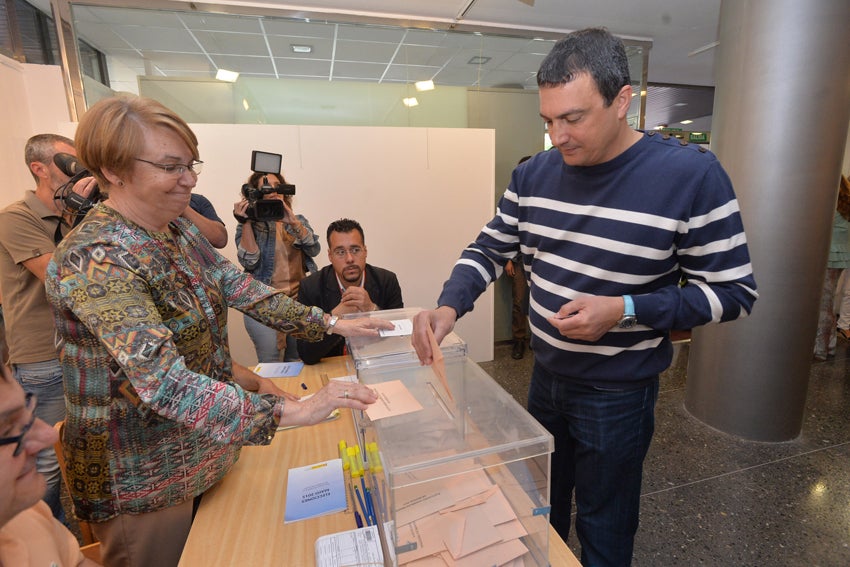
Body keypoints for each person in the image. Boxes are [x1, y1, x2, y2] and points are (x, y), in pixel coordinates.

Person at [411, 28, 757, 566]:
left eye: (573, 118)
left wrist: (627, 311)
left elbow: (735, 293)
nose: (559, 136)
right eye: (549, 120)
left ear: (623, 101)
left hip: (618, 395)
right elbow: (487, 248)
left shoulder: (690, 175)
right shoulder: (533, 174)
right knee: (536, 513)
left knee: (605, 529)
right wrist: (448, 305)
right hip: (546, 382)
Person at [44, 94, 393, 567]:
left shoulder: (177, 231)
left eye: (191, 164)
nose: (189, 179)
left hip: (207, 451)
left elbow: (243, 288)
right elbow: (163, 383)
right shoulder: (95, 256)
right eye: (171, 167)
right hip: (142, 482)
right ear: (113, 170)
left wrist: (333, 322)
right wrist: (297, 410)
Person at [0, 134, 98, 523]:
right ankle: (40, 541)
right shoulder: (14, 218)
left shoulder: (74, 216)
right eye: (68, 164)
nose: (79, 175)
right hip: (42, 356)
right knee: (45, 466)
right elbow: (63, 277)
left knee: (81, 454)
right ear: (39, 168)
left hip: (81, 350)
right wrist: (80, 217)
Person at [0, 365, 100, 566]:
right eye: (8, 430)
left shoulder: (23, 513)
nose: (50, 435)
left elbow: (76, 562)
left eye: (28, 413)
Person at [234, 173, 320, 362]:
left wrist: (293, 222)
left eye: (277, 187)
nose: (273, 192)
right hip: (264, 303)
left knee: (298, 360)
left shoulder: (298, 220)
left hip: (298, 302)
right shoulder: (250, 226)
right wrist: (246, 221)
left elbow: (314, 249)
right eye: (267, 188)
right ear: (256, 194)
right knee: (271, 363)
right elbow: (249, 262)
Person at [297, 218, 404, 365]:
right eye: (340, 252)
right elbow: (306, 354)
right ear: (330, 256)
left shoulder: (386, 280)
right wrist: (334, 318)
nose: (349, 259)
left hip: (376, 364)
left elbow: (400, 340)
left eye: (355, 250)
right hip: (333, 368)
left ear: (365, 251)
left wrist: (371, 309)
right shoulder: (310, 287)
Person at [814, 177, 850, 360]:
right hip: (841, 258)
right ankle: (830, 345)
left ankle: (820, 349)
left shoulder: (832, 207)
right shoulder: (845, 205)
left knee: (823, 305)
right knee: (828, 304)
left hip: (830, 258)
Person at [506, 155, 533, 360]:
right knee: (519, 302)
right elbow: (504, 234)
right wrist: (507, 259)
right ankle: (519, 341)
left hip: (541, 262)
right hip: (519, 261)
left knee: (542, 303)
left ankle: (538, 339)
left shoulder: (546, 197)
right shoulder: (513, 199)